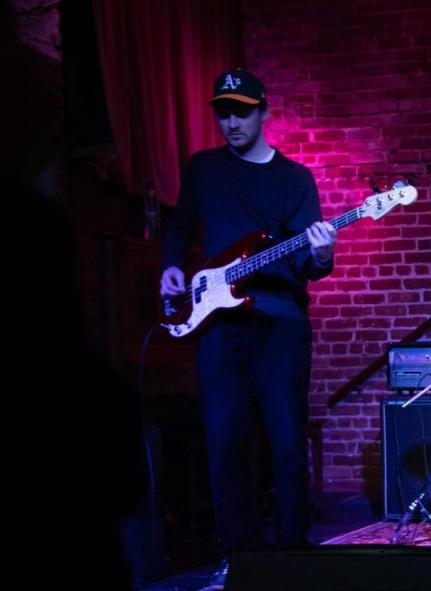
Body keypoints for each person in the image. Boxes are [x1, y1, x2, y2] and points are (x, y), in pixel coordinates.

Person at [159, 69, 338, 558]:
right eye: (223, 112)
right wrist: (171, 267)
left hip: (280, 321)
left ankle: (292, 553)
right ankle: (240, 557)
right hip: (218, 322)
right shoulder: (203, 169)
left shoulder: (294, 179)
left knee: (285, 440)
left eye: (242, 111)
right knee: (223, 441)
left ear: (264, 112)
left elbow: (308, 263)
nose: (232, 121)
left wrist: (321, 255)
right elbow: (179, 226)